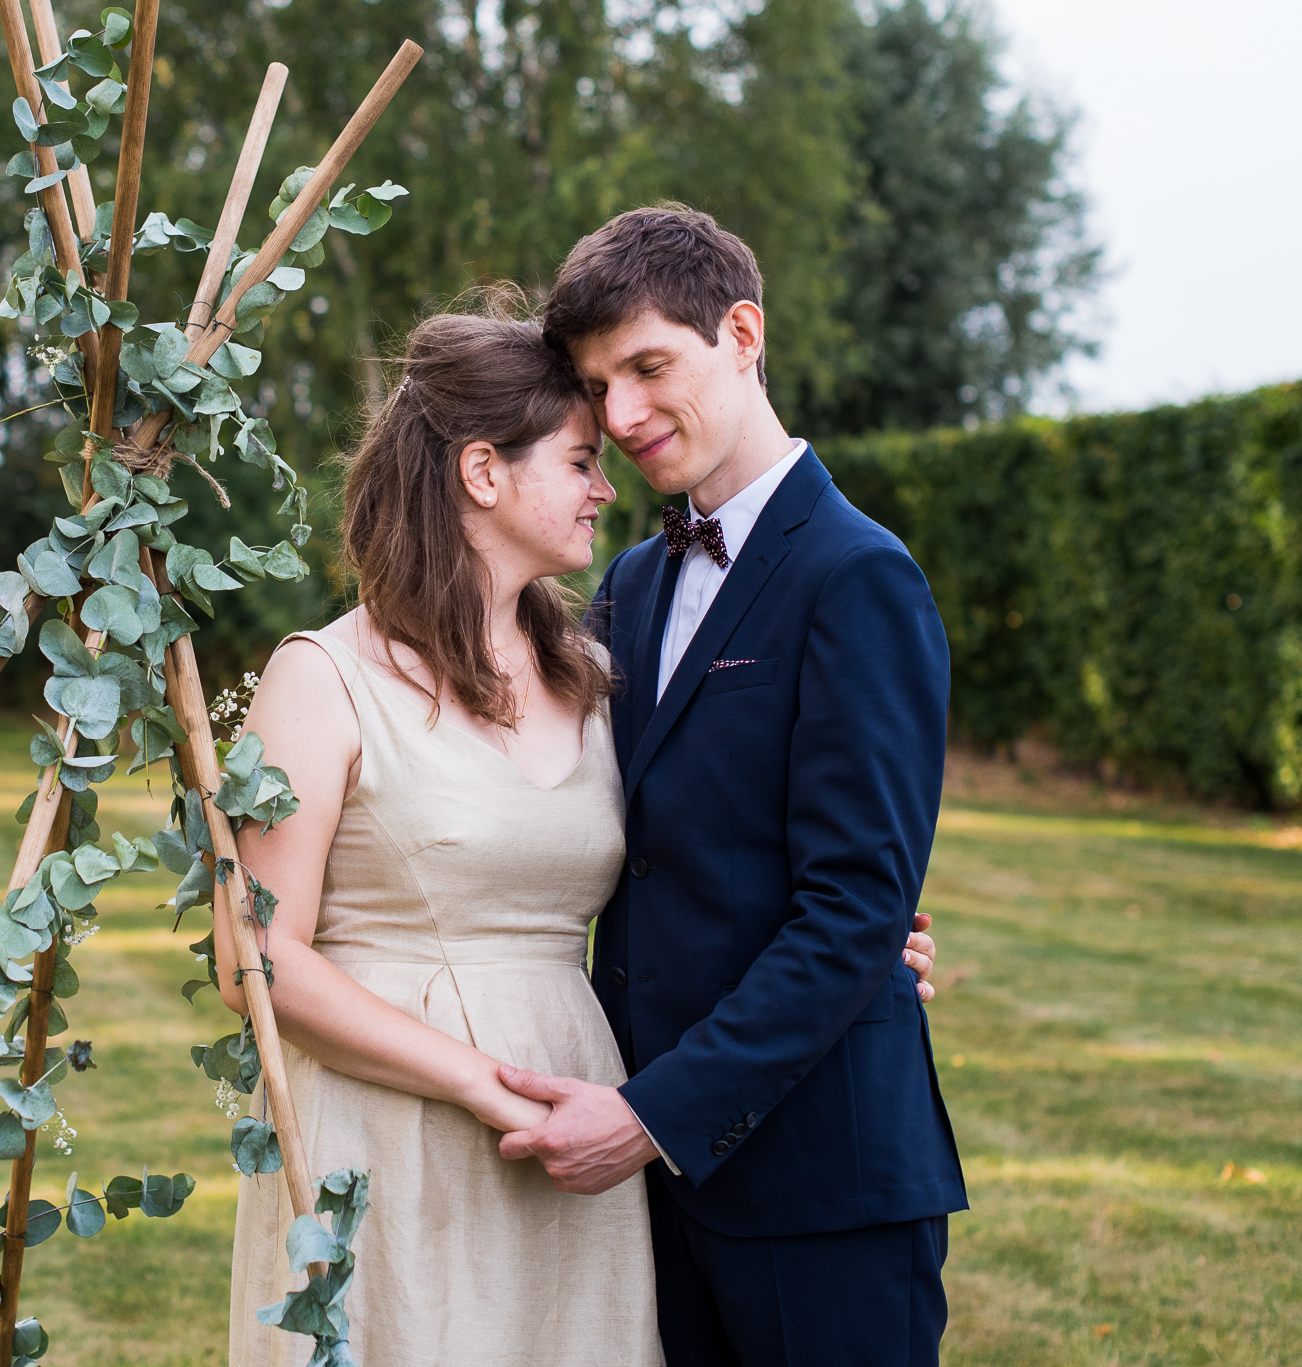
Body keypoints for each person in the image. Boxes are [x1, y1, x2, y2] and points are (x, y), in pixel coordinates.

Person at [216, 292, 940, 1366]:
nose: (612, 478)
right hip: (405, 1122)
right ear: (480, 472)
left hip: (591, 1120)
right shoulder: (336, 673)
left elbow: (741, 848)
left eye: (640, 383)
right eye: (579, 449)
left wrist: (873, 936)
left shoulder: (589, 665)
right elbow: (255, 951)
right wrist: (477, 1078)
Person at [497, 205, 968, 1365]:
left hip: (821, 1185)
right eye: (599, 386)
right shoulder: (634, 583)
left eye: (649, 366)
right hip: (659, 1194)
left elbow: (852, 905)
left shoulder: (859, 577)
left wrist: (653, 1113)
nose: (620, 416)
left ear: (741, 333)